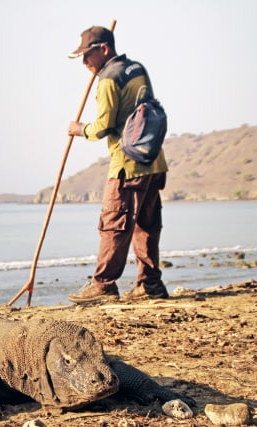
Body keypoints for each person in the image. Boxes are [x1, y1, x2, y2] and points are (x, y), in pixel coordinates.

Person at [67, 26, 169, 303]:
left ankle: (103, 286)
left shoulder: (109, 79)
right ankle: (150, 285)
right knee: (146, 225)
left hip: (127, 166)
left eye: (88, 55)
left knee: (114, 224)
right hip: (153, 160)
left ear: (104, 49)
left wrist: (79, 129)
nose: (85, 63)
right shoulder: (136, 68)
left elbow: (103, 127)